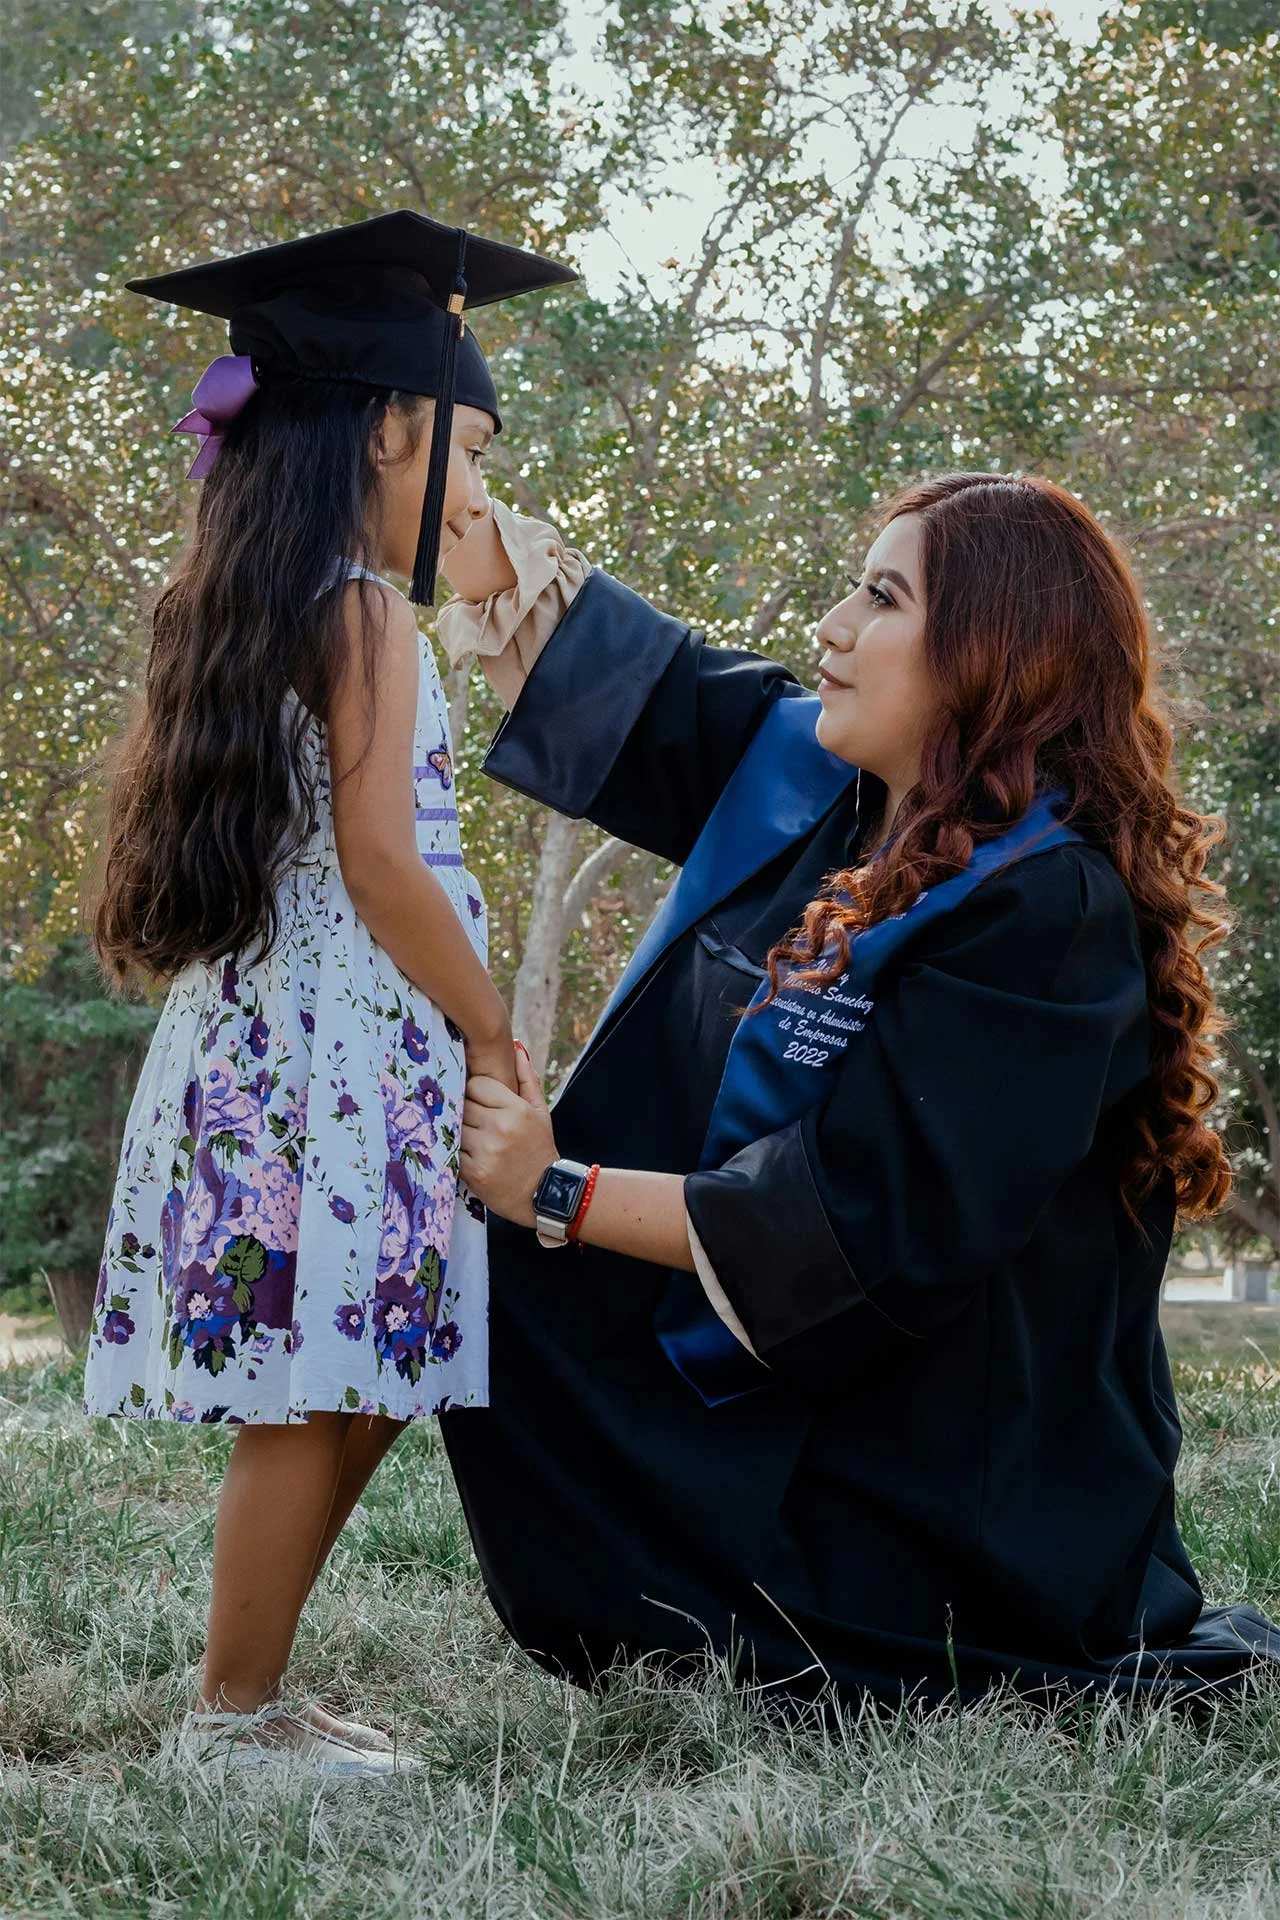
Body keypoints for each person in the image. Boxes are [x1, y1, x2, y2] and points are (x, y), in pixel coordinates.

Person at [438, 471, 1279, 1712]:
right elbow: (649, 686)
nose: (829, 625)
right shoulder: (841, 800)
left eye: (880, 597)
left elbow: (857, 1225)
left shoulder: (1042, 908)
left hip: (950, 1487)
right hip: (816, 1389)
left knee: (511, 1258)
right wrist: (443, 493)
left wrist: (552, 1189)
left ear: (995, 653)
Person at [83, 211, 575, 1771]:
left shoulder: (267, 600)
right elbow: (381, 865)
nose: (478, 495)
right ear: (391, 428)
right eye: (470, 455)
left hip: (288, 1036)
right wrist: (496, 1032)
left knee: (355, 1373)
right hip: (343, 1045)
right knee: (319, 1393)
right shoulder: (364, 612)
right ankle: (229, 1719)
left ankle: (259, 1696)